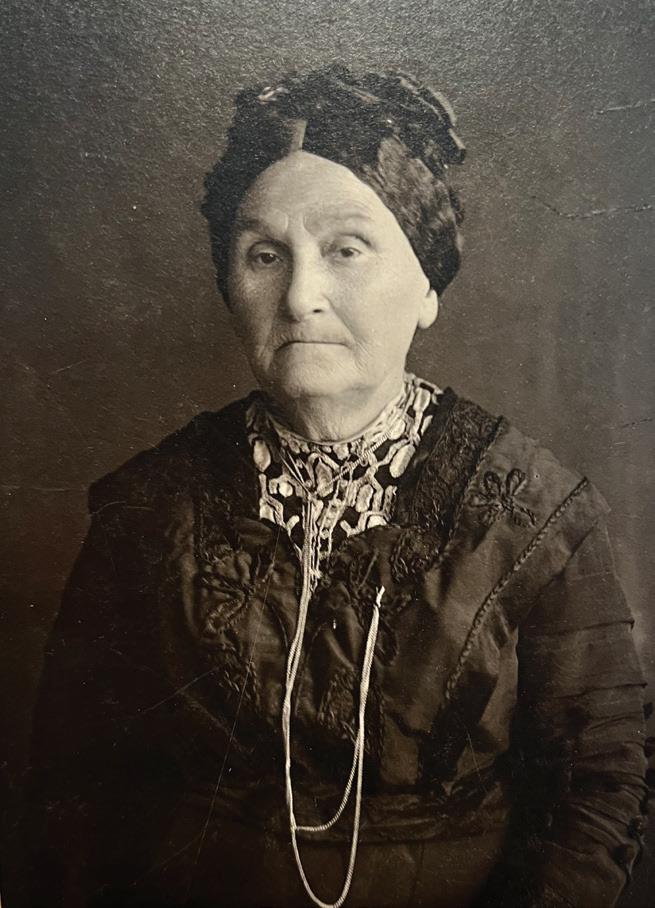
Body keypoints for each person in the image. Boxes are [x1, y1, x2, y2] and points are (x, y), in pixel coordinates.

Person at [26, 66, 649, 908]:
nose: (299, 296)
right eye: (264, 255)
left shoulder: (533, 515)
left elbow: (597, 786)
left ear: (426, 285)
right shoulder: (151, 506)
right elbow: (74, 783)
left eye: (345, 249)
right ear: (229, 286)